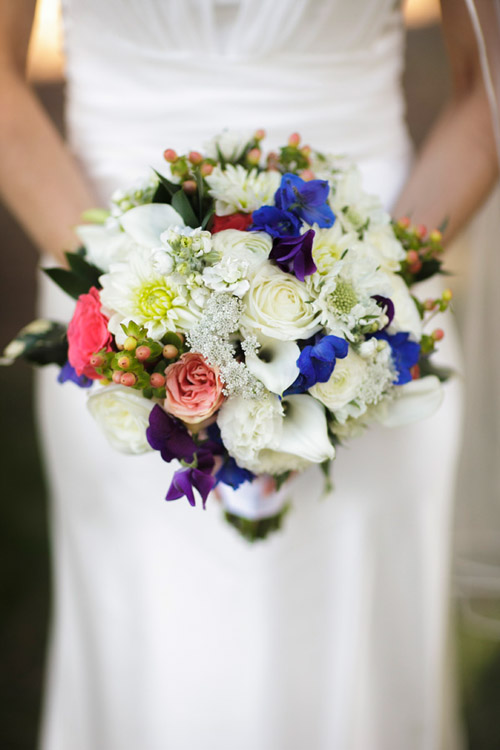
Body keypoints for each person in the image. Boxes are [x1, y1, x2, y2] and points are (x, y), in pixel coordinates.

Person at [0, 1, 498, 748]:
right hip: (112, 299)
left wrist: (368, 295)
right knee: (157, 657)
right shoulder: (123, 318)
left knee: (355, 658)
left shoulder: (369, 302)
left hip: (371, 305)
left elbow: (485, 85)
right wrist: (129, 315)